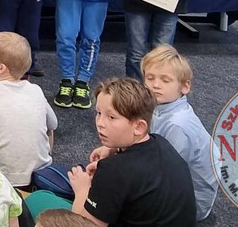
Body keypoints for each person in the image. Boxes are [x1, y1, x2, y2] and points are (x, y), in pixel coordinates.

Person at [25, 78, 195, 226]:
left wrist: (83, 189)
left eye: (111, 117)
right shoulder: (161, 142)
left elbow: (86, 224)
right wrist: (114, 149)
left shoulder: (112, 170)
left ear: (139, 126)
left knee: (37, 200)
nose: (100, 123)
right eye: (99, 113)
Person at [89, 46, 217, 220]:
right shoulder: (162, 107)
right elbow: (143, 141)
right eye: (150, 78)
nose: (155, 85)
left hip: (190, 202)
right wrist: (113, 149)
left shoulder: (177, 125)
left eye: (165, 80)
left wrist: (111, 172)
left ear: (185, 86)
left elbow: (161, 171)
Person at [0, 33, 57, 191]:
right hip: (40, 172)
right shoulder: (36, 90)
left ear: (1, 68)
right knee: (48, 130)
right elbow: (53, 124)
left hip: (1, 176)